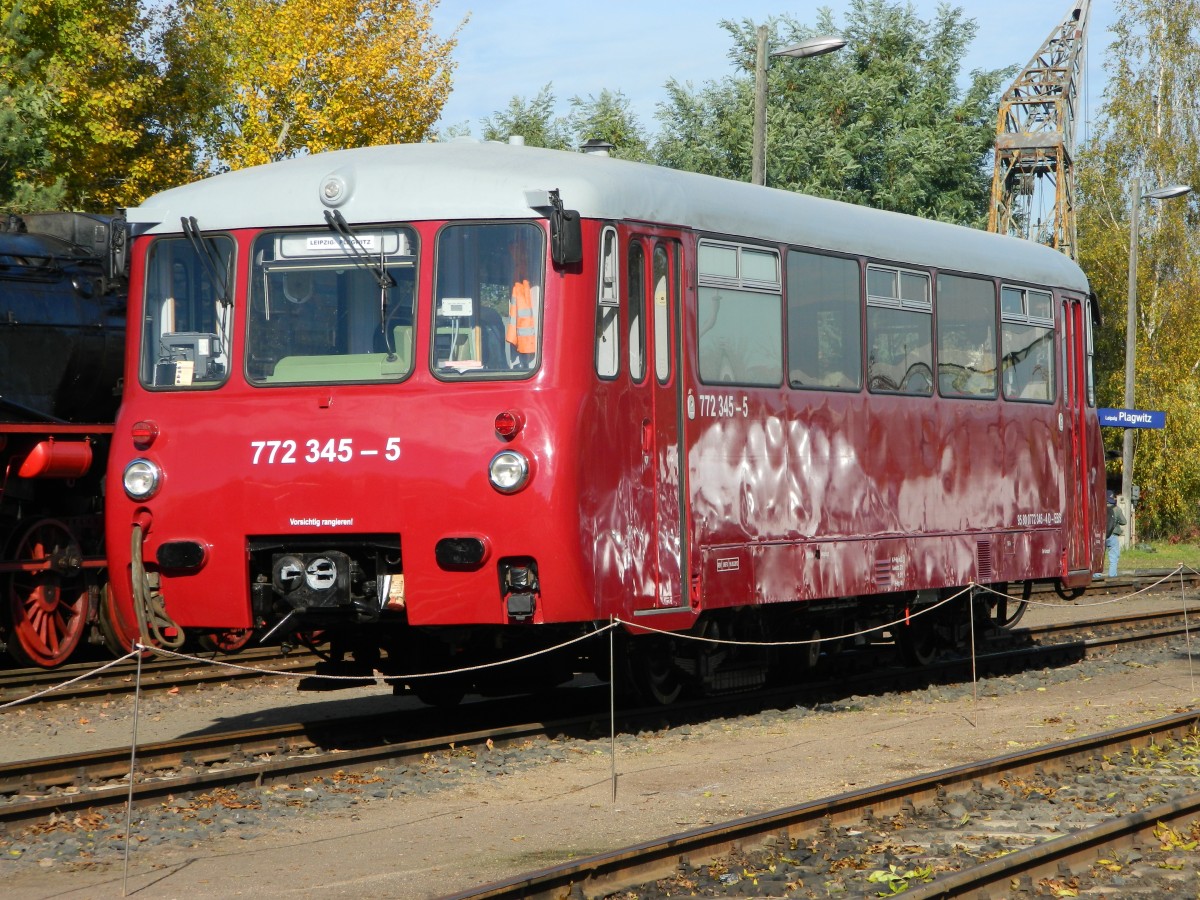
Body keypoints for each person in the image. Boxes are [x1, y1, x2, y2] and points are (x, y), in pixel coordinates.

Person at [1104, 490, 1127, 578]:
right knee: (1113, 557)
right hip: (1113, 535)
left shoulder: (1099, 507)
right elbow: (1124, 521)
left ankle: (1096, 575)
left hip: (1100, 536)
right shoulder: (1116, 509)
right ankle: (1112, 576)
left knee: (1098, 557)